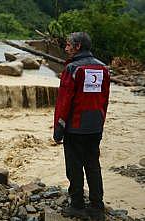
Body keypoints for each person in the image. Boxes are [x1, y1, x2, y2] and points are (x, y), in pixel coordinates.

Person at [53, 32, 110, 221]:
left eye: (68, 45)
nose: (66, 48)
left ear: (78, 47)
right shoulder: (103, 68)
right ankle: (97, 207)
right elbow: (104, 100)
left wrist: (58, 129)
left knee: (75, 167)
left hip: (75, 126)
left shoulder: (72, 69)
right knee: (93, 165)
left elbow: (64, 101)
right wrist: (100, 122)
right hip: (95, 126)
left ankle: (77, 205)